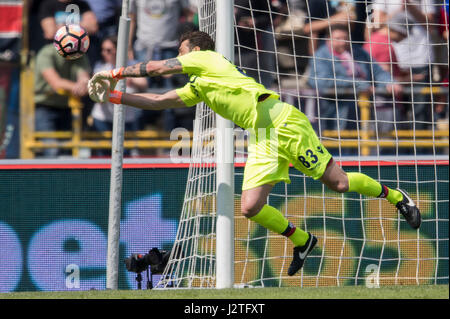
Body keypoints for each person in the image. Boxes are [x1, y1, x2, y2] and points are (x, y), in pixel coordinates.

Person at [88, 31, 421, 276]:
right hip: (260, 134)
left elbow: (158, 69)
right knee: (250, 207)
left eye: (182, 51)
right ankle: (303, 240)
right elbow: (157, 101)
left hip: (280, 119)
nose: (181, 56)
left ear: (196, 50)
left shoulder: (206, 58)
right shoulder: (200, 85)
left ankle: (397, 197)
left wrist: (116, 72)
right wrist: (114, 98)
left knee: (340, 184)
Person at [307, 24, 402, 148]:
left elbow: (378, 71)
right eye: (338, 39)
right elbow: (320, 81)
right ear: (328, 40)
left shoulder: (359, 52)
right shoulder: (320, 57)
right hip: (335, 113)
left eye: (345, 38)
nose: (343, 42)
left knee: (366, 146)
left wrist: (390, 82)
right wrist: (357, 84)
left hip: (365, 108)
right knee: (339, 149)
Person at [89, 36, 147, 157]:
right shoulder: (100, 67)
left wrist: (132, 80)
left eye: (108, 50)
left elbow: (144, 84)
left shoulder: (132, 66)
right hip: (103, 119)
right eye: (103, 50)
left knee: (124, 156)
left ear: (118, 50)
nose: (104, 53)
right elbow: (97, 89)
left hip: (126, 119)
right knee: (102, 157)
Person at [34, 42, 91, 157]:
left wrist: (83, 84)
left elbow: (84, 78)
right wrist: (77, 87)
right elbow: (56, 83)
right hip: (45, 106)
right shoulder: (46, 53)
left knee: (69, 152)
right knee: (51, 150)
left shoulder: (79, 53)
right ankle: (49, 175)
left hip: (68, 107)